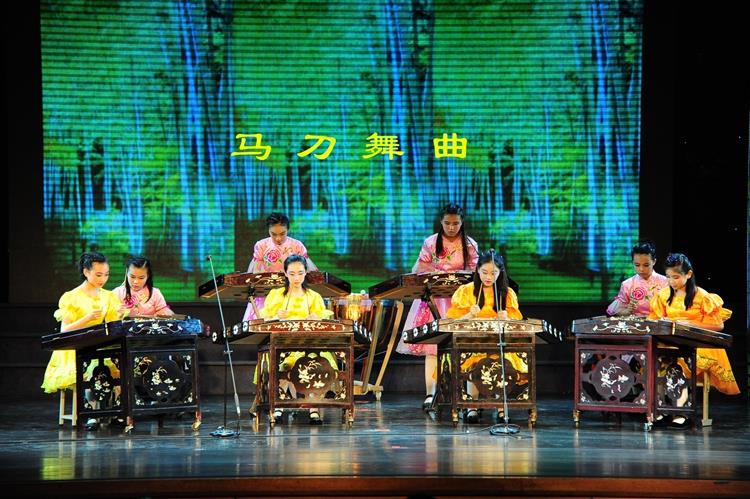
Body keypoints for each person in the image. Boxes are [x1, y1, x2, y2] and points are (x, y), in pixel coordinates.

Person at [396, 203, 479, 411]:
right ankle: (430, 393)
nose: (451, 227)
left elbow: (477, 272)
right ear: (441, 222)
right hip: (435, 299)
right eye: (447, 223)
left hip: (460, 300)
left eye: (456, 223)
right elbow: (419, 269)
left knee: (465, 348)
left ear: (462, 222)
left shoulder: (469, 244)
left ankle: (469, 396)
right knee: (433, 348)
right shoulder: (431, 242)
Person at [648, 253, 740, 428]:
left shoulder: (701, 296)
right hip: (671, 342)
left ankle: (681, 410)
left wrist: (690, 324)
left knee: (680, 363)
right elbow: (653, 320)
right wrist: (664, 322)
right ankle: (661, 409)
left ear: (688, 274)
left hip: (697, 344)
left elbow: (717, 325)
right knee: (657, 360)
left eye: (676, 277)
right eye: (668, 277)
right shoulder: (663, 295)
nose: (671, 281)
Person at [41, 252, 125, 429]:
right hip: (76, 348)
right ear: (86, 272)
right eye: (98, 274)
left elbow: (111, 326)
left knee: (119, 366)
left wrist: (119, 316)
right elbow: (65, 330)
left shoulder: (108, 296)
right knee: (91, 368)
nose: (103, 279)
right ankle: (91, 413)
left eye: (106, 274)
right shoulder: (71, 297)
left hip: (99, 345)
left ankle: (116, 411)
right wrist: (87, 318)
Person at [445, 250, 522, 423]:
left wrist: (507, 318)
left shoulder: (506, 293)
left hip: (498, 341)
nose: (488, 277)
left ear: (500, 273)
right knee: (473, 361)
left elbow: (517, 323)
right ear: (477, 270)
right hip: (472, 340)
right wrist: (469, 315)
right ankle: (472, 407)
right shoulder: (466, 291)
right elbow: (452, 322)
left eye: (493, 273)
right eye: (484, 272)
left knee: (501, 363)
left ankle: (501, 407)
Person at [258, 254, 334, 425]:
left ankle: (313, 407)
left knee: (316, 363)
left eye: (300, 273)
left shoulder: (313, 296)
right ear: (285, 273)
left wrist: (316, 318)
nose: (296, 278)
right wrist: (276, 316)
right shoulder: (276, 295)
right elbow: (264, 320)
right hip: (283, 343)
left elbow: (324, 319)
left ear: (306, 272)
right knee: (284, 363)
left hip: (309, 344)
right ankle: (279, 405)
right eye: (292, 274)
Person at [243, 212, 318, 321]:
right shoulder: (262, 245)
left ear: (288, 230)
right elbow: (256, 272)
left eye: (282, 234)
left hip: (291, 293)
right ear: (268, 230)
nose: (278, 238)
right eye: (273, 234)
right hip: (267, 294)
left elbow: (309, 269)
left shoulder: (296, 245)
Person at [607, 241, 668, 317]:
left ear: (654, 262)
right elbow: (619, 311)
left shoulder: (665, 282)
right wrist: (628, 311)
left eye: (646, 265)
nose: (641, 269)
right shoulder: (627, 284)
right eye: (637, 265)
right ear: (632, 262)